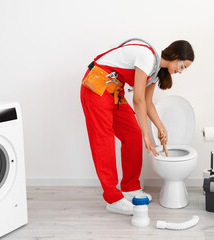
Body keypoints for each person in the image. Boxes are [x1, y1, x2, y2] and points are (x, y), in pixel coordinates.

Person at [80, 38, 194, 215]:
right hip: (96, 86)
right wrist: (147, 135)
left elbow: (148, 102)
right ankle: (113, 199)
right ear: (174, 56)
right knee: (104, 141)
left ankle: (129, 188)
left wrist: (161, 127)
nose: (181, 71)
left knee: (132, 134)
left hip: (113, 90)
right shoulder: (147, 57)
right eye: (182, 67)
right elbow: (138, 100)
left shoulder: (156, 72)